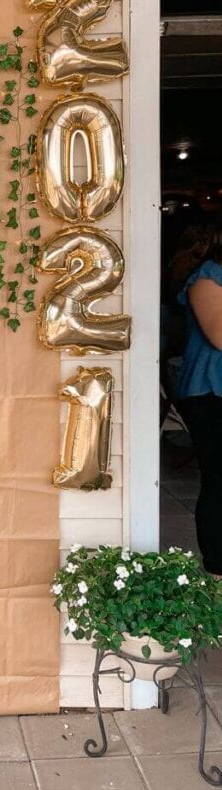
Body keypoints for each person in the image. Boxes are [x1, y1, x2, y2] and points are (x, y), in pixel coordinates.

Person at [176, 238, 222, 577]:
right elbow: (219, 335)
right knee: (219, 479)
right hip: (210, 391)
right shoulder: (209, 278)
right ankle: (218, 568)